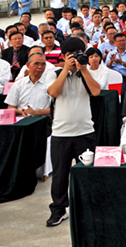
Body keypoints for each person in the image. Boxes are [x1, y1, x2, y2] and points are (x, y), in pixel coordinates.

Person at [45, 37, 101, 227]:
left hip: (85, 131)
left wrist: (83, 69)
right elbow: (53, 92)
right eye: (71, 55)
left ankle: (89, 207)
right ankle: (59, 210)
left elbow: (96, 92)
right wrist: (66, 70)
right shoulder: (53, 74)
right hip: (61, 132)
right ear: (63, 56)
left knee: (87, 173)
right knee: (60, 175)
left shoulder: (86, 73)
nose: (75, 58)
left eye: (79, 54)